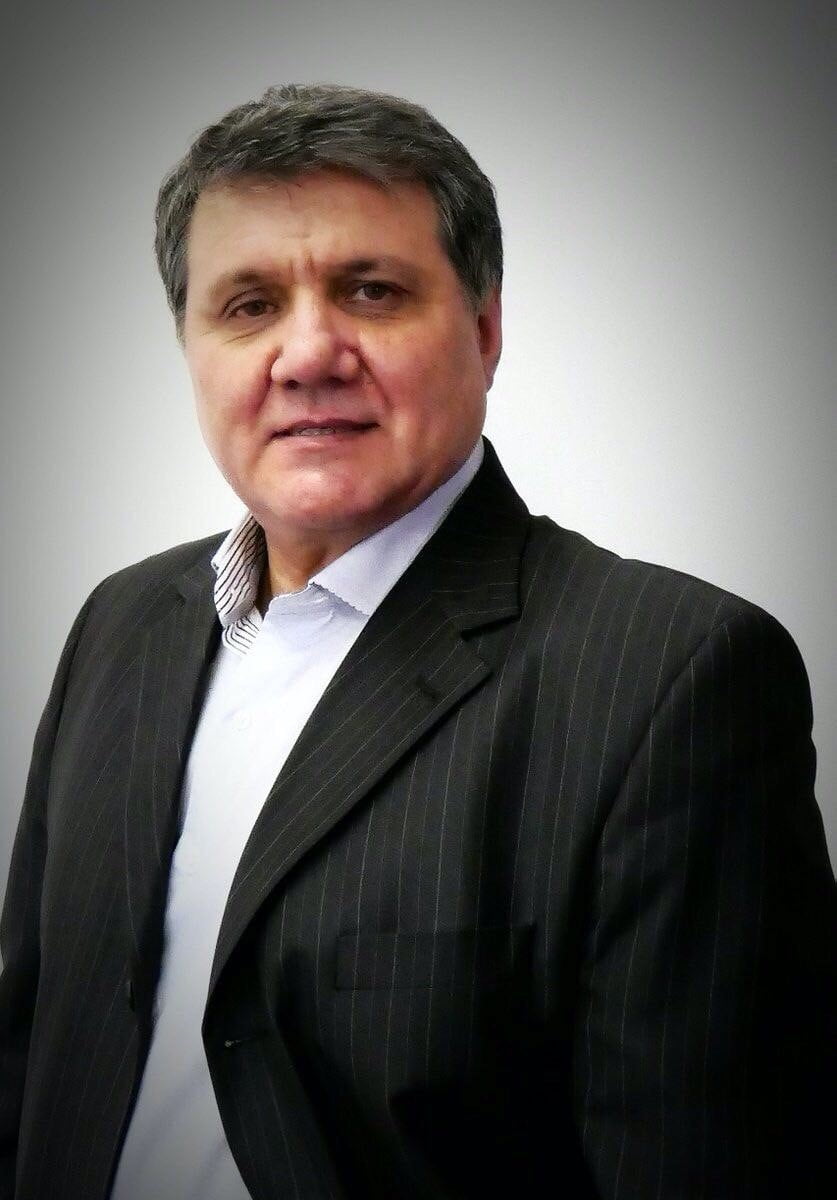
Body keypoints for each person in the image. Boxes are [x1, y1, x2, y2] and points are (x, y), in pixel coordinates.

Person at [0, 83, 834, 1200]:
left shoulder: (672, 678)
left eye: (372, 291)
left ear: (485, 331)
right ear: (191, 348)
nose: (307, 354)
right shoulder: (120, 625)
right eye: (248, 305)